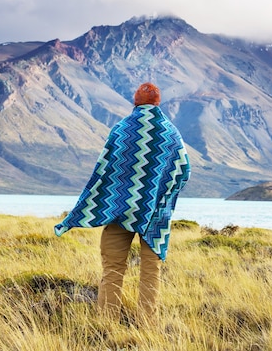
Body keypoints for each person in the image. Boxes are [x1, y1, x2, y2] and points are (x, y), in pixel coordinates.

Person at [54, 82, 190, 323]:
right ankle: (147, 326)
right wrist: (161, 198)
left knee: (113, 269)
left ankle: (107, 323)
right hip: (155, 217)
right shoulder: (171, 132)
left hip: (118, 211)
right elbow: (183, 170)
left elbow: (103, 170)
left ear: (135, 101)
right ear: (158, 103)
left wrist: (110, 198)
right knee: (151, 272)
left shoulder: (121, 129)